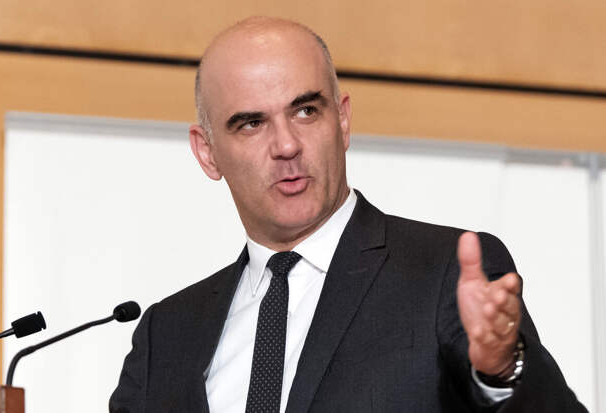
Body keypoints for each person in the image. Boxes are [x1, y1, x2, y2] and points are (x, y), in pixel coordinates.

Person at [110, 16, 587, 413]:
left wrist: (503, 370)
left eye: (305, 111)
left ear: (342, 120)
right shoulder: (164, 335)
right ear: (207, 152)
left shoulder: (441, 275)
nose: (286, 145)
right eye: (252, 123)